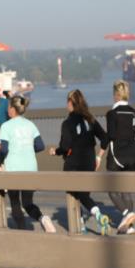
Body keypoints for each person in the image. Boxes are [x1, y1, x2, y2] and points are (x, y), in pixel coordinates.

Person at [49, 89, 111, 235]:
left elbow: (65, 146)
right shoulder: (90, 119)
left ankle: (93, 218)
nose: (66, 105)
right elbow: (105, 138)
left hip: (73, 164)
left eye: (67, 101)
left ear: (71, 103)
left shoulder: (67, 123)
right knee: (83, 195)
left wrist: (55, 152)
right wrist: (99, 157)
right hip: (89, 163)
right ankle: (85, 221)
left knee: (75, 195)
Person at [0, 94, 56, 232]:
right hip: (31, 169)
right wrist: (25, 148)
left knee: (15, 202)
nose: (7, 109)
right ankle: (43, 219)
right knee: (27, 203)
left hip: (14, 169)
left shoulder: (6, 126)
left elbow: (5, 150)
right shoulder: (30, 125)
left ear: (13, 109)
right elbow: (40, 146)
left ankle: (22, 232)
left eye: (8, 106)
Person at [104, 80, 135, 235]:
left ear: (116, 95)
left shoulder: (111, 114)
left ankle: (126, 214)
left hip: (117, 157)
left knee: (112, 190)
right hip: (133, 156)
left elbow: (110, 135)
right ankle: (130, 226)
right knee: (126, 191)